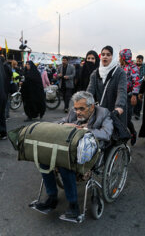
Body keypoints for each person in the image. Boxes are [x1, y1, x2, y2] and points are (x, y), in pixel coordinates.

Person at [35, 91, 113, 219]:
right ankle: (52, 197)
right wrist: (64, 125)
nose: (77, 112)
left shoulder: (103, 113)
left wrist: (84, 130)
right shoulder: (73, 112)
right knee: (43, 160)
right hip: (70, 148)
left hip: (91, 151)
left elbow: (106, 133)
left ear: (92, 106)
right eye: (76, 108)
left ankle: (73, 204)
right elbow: (60, 122)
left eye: (81, 109)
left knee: (65, 165)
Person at [87, 46, 127, 125]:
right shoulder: (95, 73)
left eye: (108, 55)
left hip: (115, 110)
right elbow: (90, 90)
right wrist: (84, 102)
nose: (105, 57)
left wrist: (119, 107)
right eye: (103, 54)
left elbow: (121, 91)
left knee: (116, 134)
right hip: (100, 110)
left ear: (113, 57)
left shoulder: (120, 72)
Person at [119, 49, 140, 146]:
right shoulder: (120, 66)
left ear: (124, 57)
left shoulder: (133, 67)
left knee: (126, 119)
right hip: (119, 95)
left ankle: (132, 133)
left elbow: (136, 82)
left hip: (129, 96)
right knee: (119, 117)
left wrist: (134, 95)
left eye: (120, 56)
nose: (119, 58)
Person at [134, 55, 145, 119]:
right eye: (137, 60)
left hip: (141, 86)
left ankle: (137, 114)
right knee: (132, 99)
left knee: (139, 101)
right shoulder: (133, 66)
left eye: (140, 61)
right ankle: (132, 113)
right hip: (133, 86)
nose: (138, 62)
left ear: (142, 61)